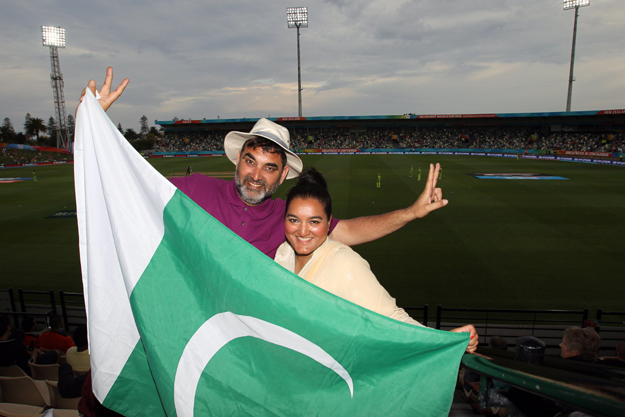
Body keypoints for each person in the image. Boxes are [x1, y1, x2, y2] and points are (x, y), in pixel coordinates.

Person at [79, 68, 449, 259]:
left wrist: (410, 214)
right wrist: (91, 124)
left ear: (283, 174)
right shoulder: (192, 190)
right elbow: (120, 187)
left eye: (269, 167)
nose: (255, 176)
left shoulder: (286, 220)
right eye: (250, 161)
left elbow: (349, 232)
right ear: (237, 160)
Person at [274, 168, 478, 352]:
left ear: (329, 224)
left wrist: (445, 341)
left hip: (324, 376)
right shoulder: (283, 253)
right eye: (293, 220)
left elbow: (390, 318)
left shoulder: (344, 263)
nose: (302, 231)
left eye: (314, 222)